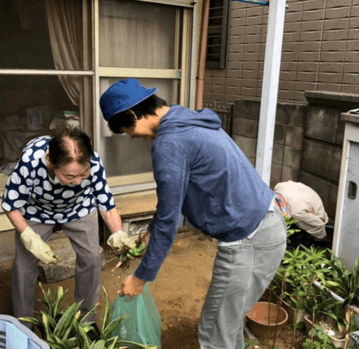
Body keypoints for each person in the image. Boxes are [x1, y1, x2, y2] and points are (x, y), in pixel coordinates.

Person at [99, 78, 287, 349]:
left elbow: (168, 219)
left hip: (249, 241)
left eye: (126, 129)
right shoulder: (187, 121)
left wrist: (140, 278)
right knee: (228, 325)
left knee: (214, 334)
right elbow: (170, 207)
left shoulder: (170, 142)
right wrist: (150, 235)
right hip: (266, 227)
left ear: (131, 114)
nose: (132, 136)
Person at [1, 126, 124, 330]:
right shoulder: (31, 162)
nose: (77, 181)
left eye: (83, 174)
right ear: (51, 162)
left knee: (91, 259)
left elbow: (106, 205)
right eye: (69, 176)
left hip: (79, 207)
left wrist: (118, 233)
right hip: (36, 210)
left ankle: (86, 321)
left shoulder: (93, 162)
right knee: (24, 266)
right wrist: (29, 236)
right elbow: (10, 204)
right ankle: (23, 326)